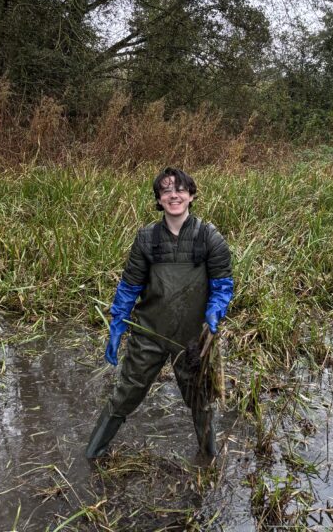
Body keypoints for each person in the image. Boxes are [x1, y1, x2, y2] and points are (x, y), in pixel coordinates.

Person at [85, 167, 234, 459]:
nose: (174, 195)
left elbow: (222, 284)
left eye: (180, 189)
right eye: (166, 190)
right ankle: (92, 455)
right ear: (159, 199)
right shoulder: (146, 239)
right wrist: (116, 327)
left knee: (200, 400)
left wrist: (215, 312)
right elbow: (129, 287)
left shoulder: (209, 237)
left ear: (191, 195)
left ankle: (208, 460)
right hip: (149, 333)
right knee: (124, 394)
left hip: (191, 339)